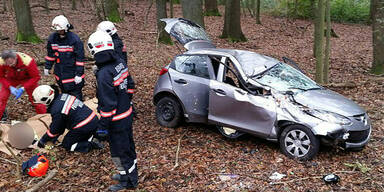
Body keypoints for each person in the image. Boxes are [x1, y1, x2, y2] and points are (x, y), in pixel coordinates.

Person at [88, 31, 138, 191]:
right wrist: (125, 102)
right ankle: (130, 174)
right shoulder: (119, 62)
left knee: (119, 152)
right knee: (129, 147)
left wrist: (102, 127)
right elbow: (130, 85)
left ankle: (127, 181)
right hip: (127, 115)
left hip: (116, 122)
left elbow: (108, 106)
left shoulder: (104, 75)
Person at [33, 85, 102, 153]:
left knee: (67, 144)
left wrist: (43, 140)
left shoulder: (57, 110)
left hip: (84, 125)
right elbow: (61, 125)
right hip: (93, 119)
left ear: (46, 100)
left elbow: (55, 129)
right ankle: (92, 135)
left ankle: (91, 144)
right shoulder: (63, 96)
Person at [96, 21, 136, 111]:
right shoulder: (116, 41)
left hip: (116, 71)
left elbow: (113, 59)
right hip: (121, 69)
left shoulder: (115, 45)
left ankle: (126, 107)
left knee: (119, 92)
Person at [44, 15, 85, 101]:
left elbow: (80, 59)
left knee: (76, 99)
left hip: (73, 75)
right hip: (60, 74)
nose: (58, 32)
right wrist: (47, 67)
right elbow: (51, 54)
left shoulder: (75, 40)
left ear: (66, 28)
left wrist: (79, 74)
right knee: (65, 98)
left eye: (60, 30)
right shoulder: (52, 38)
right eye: (57, 30)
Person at [0, 50, 46, 120]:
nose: (9, 65)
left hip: (27, 78)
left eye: (11, 63)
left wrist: (23, 88)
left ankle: (44, 118)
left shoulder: (28, 61)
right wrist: (9, 87)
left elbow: (36, 77)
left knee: (36, 98)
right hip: (11, 78)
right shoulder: (1, 61)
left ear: (15, 58)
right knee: (1, 98)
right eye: (7, 63)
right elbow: (1, 77)